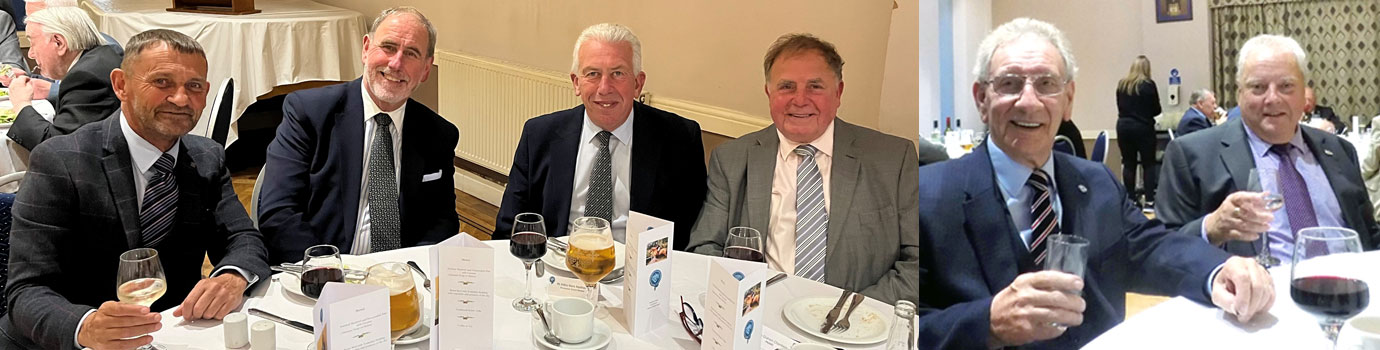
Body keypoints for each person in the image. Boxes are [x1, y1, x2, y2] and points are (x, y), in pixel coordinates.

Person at [915, 18, 1273, 349]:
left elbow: (1151, 249)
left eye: (1046, 84)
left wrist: (1218, 270)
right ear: (981, 98)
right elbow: (892, 328)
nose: (1028, 101)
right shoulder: (925, 197)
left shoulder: (1096, 182)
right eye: (1009, 84)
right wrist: (987, 323)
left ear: (1068, 100)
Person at [0, 29, 270, 350]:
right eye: (162, 82)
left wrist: (233, 276)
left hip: (172, 333)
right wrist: (84, 326)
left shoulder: (205, 156)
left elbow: (242, 238)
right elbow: (26, 291)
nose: (181, 99)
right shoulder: (61, 161)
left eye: (194, 86)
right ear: (121, 85)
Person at [686, 33, 920, 304]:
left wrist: (848, 311)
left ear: (838, 92)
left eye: (815, 87)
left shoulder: (893, 159)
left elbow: (919, 265)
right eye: (786, 86)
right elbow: (704, 248)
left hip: (854, 325)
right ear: (769, 92)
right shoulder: (731, 159)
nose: (799, 100)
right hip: (758, 313)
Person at [258, 6, 459, 264]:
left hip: (400, 277)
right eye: (387, 47)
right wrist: (329, 271)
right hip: (324, 272)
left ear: (426, 69)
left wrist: (411, 272)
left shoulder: (438, 134)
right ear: (366, 49)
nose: (396, 63)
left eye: (411, 53)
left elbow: (442, 222)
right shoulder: (309, 113)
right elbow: (279, 213)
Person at [1156, 34, 1379, 260]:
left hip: (1349, 287)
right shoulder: (1192, 155)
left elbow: (1369, 236)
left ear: (1304, 93)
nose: (1272, 98)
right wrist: (1211, 227)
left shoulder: (1339, 150)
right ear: (1239, 93)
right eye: (1258, 87)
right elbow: (1162, 251)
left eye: (1286, 86)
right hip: (1255, 292)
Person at [494, 23, 706, 248]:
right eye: (593, 74)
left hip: (639, 272)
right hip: (556, 267)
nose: (605, 88)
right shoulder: (539, 135)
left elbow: (690, 235)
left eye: (618, 73)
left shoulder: (680, 139)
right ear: (576, 82)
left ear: (638, 83)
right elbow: (510, 228)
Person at [5, 6, 123, 151]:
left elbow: (57, 148)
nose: (30, 54)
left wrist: (21, 104)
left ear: (59, 43)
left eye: (33, 44)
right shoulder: (100, 57)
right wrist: (29, 79)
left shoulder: (87, 77)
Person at [1115, 55, 1161, 204]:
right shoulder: (1148, 85)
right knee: (1148, 164)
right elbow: (1156, 110)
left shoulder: (1122, 85)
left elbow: (1119, 106)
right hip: (1143, 128)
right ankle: (1149, 199)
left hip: (1123, 127)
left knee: (1128, 163)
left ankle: (1131, 198)